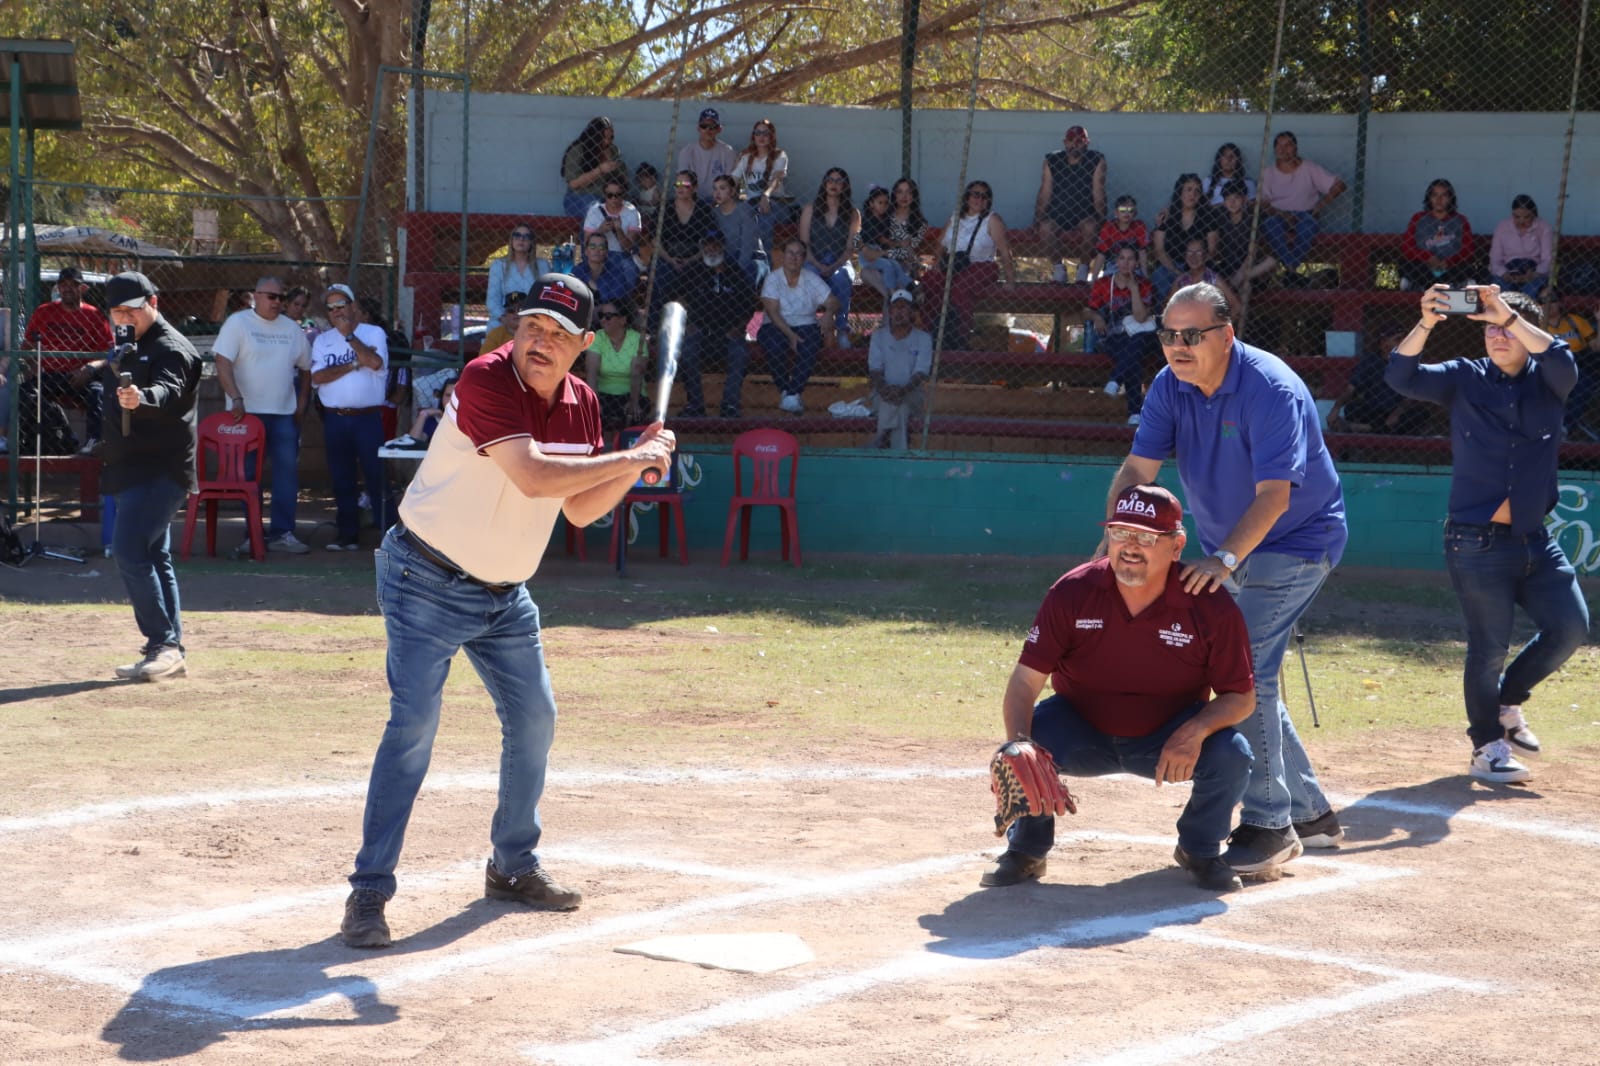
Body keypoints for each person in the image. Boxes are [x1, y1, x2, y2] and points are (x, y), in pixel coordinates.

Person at [338, 275, 677, 949]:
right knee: (413, 727)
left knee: (535, 719)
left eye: (557, 334)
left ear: (583, 345)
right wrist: (632, 455)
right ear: (514, 332)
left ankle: (512, 867)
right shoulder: (487, 379)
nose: (540, 343)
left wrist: (632, 473)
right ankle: (369, 890)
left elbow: (578, 507)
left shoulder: (580, 403)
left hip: (505, 596)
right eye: (531, 328)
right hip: (424, 578)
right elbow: (533, 475)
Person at [1108, 281, 1347, 878]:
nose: (1177, 346)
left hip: (1297, 543)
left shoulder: (1269, 388)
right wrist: (1115, 543)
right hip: (1228, 548)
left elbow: (1275, 496)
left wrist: (1225, 561)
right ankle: (1311, 812)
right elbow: (1138, 471)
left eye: (1192, 335)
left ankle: (1270, 826)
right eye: (1168, 335)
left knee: (1249, 672)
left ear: (1226, 335)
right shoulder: (1170, 385)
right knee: (1251, 668)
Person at [981, 483, 1255, 893]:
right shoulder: (1073, 591)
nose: (1130, 546)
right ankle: (1027, 850)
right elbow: (1025, 681)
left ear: (1176, 544)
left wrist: (1195, 731)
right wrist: (1019, 744)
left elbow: (1241, 696)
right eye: (1120, 532)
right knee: (1028, 743)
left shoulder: (1209, 604)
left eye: (1146, 537)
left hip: (1167, 738)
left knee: (1232, 753)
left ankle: (1200, 849)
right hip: (1080, 729)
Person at [1385, 285, 1589, 784]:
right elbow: (1400, 375)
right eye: (1490, 325)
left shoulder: (1550, 382)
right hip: (1474, 542)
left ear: (1526, 332)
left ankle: (1507, 702)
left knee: (1571, 629)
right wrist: (1427, 321)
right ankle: (1486, 747)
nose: (1497, 334)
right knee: (1487, 648)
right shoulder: (1464, 377)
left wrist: (1508, 313)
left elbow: (1564, 360)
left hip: (1534, 539)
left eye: (1507, 326)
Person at [99, 271, 202, 683]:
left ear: (153, 304)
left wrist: (142, 398)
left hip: (161, 469)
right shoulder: (131, 343)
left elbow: (169, 389)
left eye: (132, 309)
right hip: (131, 465)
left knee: (128, 551)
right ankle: (167, 648)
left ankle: (163, 644)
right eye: (116, 311)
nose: (124, 317)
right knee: (154, 555)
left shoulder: (173, 348)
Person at [210, 275, 313, 554]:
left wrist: (301, 404)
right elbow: (222, 361)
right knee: (247, 477)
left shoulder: (292, 329)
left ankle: (282, 533)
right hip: (247, 416)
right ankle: (251, 535)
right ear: (255, 295)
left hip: (283, 415)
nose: (278, 302)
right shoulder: (238, 323)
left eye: (281, 297)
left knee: (286, 476)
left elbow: (306, 368)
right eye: (272, 297)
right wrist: (236, 398)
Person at [311, 283, 390, 552]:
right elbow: (318, 377)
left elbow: (376, 362)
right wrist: (355, 364)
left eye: (341, 305)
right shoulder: (322, 340)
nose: (336, 311)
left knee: (376, 476)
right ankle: (347, 535)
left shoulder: (373, 332)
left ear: (353, 306)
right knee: (341, 477)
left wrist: (349, 338)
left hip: (367, 418)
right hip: (335, 418)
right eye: (331, 307)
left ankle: (388, 537)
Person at [23, 265, 114, 454]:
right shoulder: (44, 312)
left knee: (98, 392)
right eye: (63, 285)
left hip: (81, 377)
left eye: (73, 285)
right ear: (58, 288)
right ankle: (53, 434)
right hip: (51, 375)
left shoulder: (94, 315)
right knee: (25, 392)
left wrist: (89, 368)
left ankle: (93, 444)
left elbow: (109, 353)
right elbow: (28, 345)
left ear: (82, 288)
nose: (68, 289)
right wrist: (32, 366)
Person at [921, 180, 1018, 352]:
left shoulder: (992, 220)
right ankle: (931, 335)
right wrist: (937, 263)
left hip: (981, 266)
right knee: (930, 282)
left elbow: (1004, 250)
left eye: (984, 196)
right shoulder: (955, 218)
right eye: (975, 194)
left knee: (959, 289)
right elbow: (939, 244)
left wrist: (1010, 280)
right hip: (953, 265)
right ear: (967, 197)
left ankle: (959, 338)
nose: (979, 199)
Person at [672, 229, 756, 418]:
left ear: (723, 247)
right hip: (699, 329)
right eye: (707, 245)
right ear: (702, 248)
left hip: (729, 331)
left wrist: (738, 328)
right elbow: (675, 297)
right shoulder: (693, 271)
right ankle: (695, 405)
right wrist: (686, 325)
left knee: (740, 355)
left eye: (716, 245)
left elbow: (749, 305)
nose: (711, 249)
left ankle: (729, 406)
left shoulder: (736, 272)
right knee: (687, 352)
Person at [759, 237, 838, 414]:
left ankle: (791, 395)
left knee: (810, 343)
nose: (794, 257)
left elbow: (833, 300)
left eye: (799, 254)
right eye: (790, 253)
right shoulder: (773, 278)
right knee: (774, 344)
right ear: (783, 256)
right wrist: (791, 335)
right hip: (777, 324)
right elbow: (772, 312)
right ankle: (789, 393)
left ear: (803, 258)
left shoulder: (811, 278)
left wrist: (828, 313)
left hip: (805, 324)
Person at [1258, 131, 1345, 279]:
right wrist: (1282, 214)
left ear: (1296, 148)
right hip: (1278, 215)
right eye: (1279, 145)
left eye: (1288, 145)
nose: (1283, 149)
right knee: (1269, 224)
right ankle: (1292, 267)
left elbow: (1340, 185)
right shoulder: (1268, 173)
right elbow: (1263, 203)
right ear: (1274, 150)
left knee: (1309, 225)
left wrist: (1320, 205)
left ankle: (1290, 267)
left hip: (1305, 214)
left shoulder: (1309, 167)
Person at [1084, 245, 1156, 425]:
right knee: (1134, 354)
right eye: (1122, 258)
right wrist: (1097, 317)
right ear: (1116, 262)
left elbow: (1140, 317)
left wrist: (1133, 289)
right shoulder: (1103, 283)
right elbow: (1085, 311)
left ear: (1137, 263)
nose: (1126, 263)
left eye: (1130, 259)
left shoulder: (1144, 285)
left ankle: (1115, 380)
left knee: (1137, 341)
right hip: (1113, 336)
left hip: (1139, 335)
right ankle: (1135, 411)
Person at [1033, 123, 1106, 284]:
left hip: (1084, 212)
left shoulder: (1096, 160)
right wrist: (1037, 218)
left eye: (1080, 141)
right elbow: (1045, 191)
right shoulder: (1052, 160)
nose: (1075, 144)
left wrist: (1102, 219)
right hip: (1057, 213)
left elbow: (1098, 192)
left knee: (1091, 227)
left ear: (1087, 143)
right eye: (1071, 140)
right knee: (1045, 228)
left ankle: (1083, 269)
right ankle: (1059, 270)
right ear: (1065, 142)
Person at [797, 166, 861, 349]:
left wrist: (833, 266)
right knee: (809, 276)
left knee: (843, 277)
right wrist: (817, 264)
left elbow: (850, 248)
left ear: (845, 186)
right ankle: (807, 328)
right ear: (824, 183)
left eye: (839, 181)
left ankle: (841, 330)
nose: (834, 185)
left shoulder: (853, 214)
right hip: (813, 260)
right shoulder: (810, 209)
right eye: (830, 180)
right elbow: (804, 244)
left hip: (839, 261)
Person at [1325, 328, 1429, 436]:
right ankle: (1378, 429)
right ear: (1383, 343)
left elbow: (1410, 398)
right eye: (1397, 339)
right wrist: (1336, 408)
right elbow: (1351, 389)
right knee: (1352, 408)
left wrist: (1397, 413)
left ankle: (1360, 428)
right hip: (1373, 409)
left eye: (1404, 339)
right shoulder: (1370, 361)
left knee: (1420, 414)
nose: (1402, 343)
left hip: (1396, 410)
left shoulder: (1409, 363)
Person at [866, 289, 932, 450]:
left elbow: (921, 372)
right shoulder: (878, 336)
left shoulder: (924, 338)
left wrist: (902, 391)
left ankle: (881, 440)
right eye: (896, 307)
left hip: (912, 394)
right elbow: (874, 369)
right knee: (899, 410)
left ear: (911, 312)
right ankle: (898, 455)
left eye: (904, 308)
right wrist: (886, 390)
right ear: (890, 311)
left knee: (899, 405)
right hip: (882, 393)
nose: (899, 312)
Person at [651, 171, 716, 324]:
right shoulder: (664, 208)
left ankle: (697, 325)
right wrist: (670, 259)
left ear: (694, 188)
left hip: (695, 258)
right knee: (659, 278)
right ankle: (654, 326)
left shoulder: (703, 210)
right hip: (667, 256)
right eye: (677, 184)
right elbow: (654, 240)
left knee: (700, 282)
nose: (680, 188)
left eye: (685, 185)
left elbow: (709, 242)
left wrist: (691, 259)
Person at [1541, 286, 1600, 438]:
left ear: (1560, 302)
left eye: (1552, 299)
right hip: (1550, 363)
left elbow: (1596, 347)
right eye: (1543, 300)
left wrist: (1599, 321)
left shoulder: (1575, 321)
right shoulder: (1538, 325)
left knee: (1583, 386)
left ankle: (1564, 426)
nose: (1548, 304)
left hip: (1579, 363)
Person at [1151, 173, 1218, 303]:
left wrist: (1194, 269)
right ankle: (1162, 318)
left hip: (1199, 264)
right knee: (1160, 277)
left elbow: (1212, 250)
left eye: (1197, 191)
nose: (1192, 194)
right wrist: (1176, 272)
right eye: (1188, 189)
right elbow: (1159, 250)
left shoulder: (1208, 216)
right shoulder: (1167, 215)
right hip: (1170, 265)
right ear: (1180, 192)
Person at [1400, 179, 1476, 291]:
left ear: (1450, 198)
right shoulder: (1418, 219)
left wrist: (1449, 262)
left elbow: (1468, 249)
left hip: (1450, 268)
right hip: (1425, 267)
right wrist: (1428, 258)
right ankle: (1432, 286)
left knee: (1468, 267)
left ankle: (1440, 285)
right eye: (1435, 195)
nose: (1439, 199)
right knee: (1406, 265)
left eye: (1444, 195)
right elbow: (1407, 247)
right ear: (1429, 198)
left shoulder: (1461, 221)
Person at [584, 298, 646, 431]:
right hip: (603, 394)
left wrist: (633, 402)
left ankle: (629, 449)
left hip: (631, 393)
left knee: (635, 413)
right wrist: (595, 402)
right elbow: (591, 373)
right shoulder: (598, 337)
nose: (603, 320)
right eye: (601, 316)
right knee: (591, 413)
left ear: (623, 320)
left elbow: (637, 374)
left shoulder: (636, 340)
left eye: (608, 316)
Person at [1214, 178, 1278, 291]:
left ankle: (1241, 280)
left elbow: (1252, 251)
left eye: (1236, 198)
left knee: (1270, 262)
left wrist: (1240, 275)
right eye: (1228, 199)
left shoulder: (1251, 219)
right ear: (1223, 202)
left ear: (1245, 199)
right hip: (1229, 265)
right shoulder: (1221, 217)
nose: (1232, 202)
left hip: (1249, 267)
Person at [560, 116, 626, 220]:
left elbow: (623, 181)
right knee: (593, 209)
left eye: (611, 138)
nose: (607, 142)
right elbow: (573, 183)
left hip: (608, 197)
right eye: (603, 138)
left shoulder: (614, 151)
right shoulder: (578, 150)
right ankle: (590, 236)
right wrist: (600, 170)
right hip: (579, 197)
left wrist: (615, 168)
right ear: (595, 136)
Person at [1489, 194, 1552, 297]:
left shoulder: (1544, 228)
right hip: (1509, 270)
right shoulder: (1502, 227)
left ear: (1533, 214)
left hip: (1533, 271)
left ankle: (1528, 311)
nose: (1521, 221)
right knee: (1501, 288)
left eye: (1527, 217)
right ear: (1512, 214)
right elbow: (1495, 259)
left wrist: (1534, 274)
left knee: (1533, 290)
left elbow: (1548, 259)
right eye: (1517, 217)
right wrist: (1504, 273)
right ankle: (1507, 311)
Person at [488, 223, 550, 323]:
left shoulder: (542, 266)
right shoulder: (498, 265)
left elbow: (545, 299)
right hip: (504, 321)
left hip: (532, 321)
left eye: (526, 237)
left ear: (531, 242)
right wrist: (506, 320)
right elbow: (492, 300)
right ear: (511, 240)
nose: (521, 239)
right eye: (517, 235)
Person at [857, 185, 910, 298]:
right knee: (887, 265)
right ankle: (891, 292)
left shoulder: (885, 220)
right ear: (871, 204)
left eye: (886, 203)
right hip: (868, 255)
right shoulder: (868, 220)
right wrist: (899, 244)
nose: (883, 206)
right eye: (879, 203)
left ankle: (909, 284)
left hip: (881, 254)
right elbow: (882, 240)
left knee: (895, 264)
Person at [709, 174, 763, 284]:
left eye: (722, 188)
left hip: (751, 258)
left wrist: (736, 271)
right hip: (725, 259)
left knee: (748, 273)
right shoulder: (714, 213)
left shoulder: (744, 210)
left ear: (732, 191)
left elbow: (747, 246)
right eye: (715, 189)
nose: (717, 193)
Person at [386, 373, 457, 450]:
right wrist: (423, 414)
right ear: (441, 397)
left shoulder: (468, 420)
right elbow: (413, 442)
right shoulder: (434, 421)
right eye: (448, 395)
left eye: (455, 395)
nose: (451, 400)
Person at [678, 107, 737, 199]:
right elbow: (682, 181)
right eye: (704, 126)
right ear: (698, 128)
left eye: (712, 127)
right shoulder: (686, 151)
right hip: (693, 200)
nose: (708, 130)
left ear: (719, 129)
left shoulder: (728, 151)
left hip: (719, 200)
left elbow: (731, 181)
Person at [1173, 238, 1241, 318]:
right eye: (1189, 252)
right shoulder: (1180, 281)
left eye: (1198, 252)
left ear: (1205, 255)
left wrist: (1220, 326)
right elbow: (1168, 307)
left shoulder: (1214, 279)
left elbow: (1237, 306)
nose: (1193, 257)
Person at [1087, 195, 1150, 280]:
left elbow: (1142, 252)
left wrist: (1145, 275)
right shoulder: (1109, 228)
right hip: (1114, 265)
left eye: (1130, 210)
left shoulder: (1139, 226)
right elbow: (1101, 254)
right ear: (1116, 212)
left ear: (1135, 213)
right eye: (1122, 210)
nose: (1126, 213)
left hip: (1133, 266)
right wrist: (1094, 279)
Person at [571, 234, 641, 308]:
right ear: (586, 251)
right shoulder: (578, 270)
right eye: (592, 247)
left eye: (601, 247)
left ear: (607, 252)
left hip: (606, 315)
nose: (597, 250)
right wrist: (589, 281)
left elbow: (615, 302)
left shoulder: (616, 272)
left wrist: (595, 289)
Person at [582, 181, 643, 258]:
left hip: (622, 256)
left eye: (618, 195)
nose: (614, 198)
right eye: (610, 195)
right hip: (599, 255)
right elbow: (587, 243)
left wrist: (619, 230)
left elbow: (628, 248)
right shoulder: (594, 211)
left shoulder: (632, 211)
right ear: (604, 195)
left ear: (623, 194)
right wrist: (600, 230)